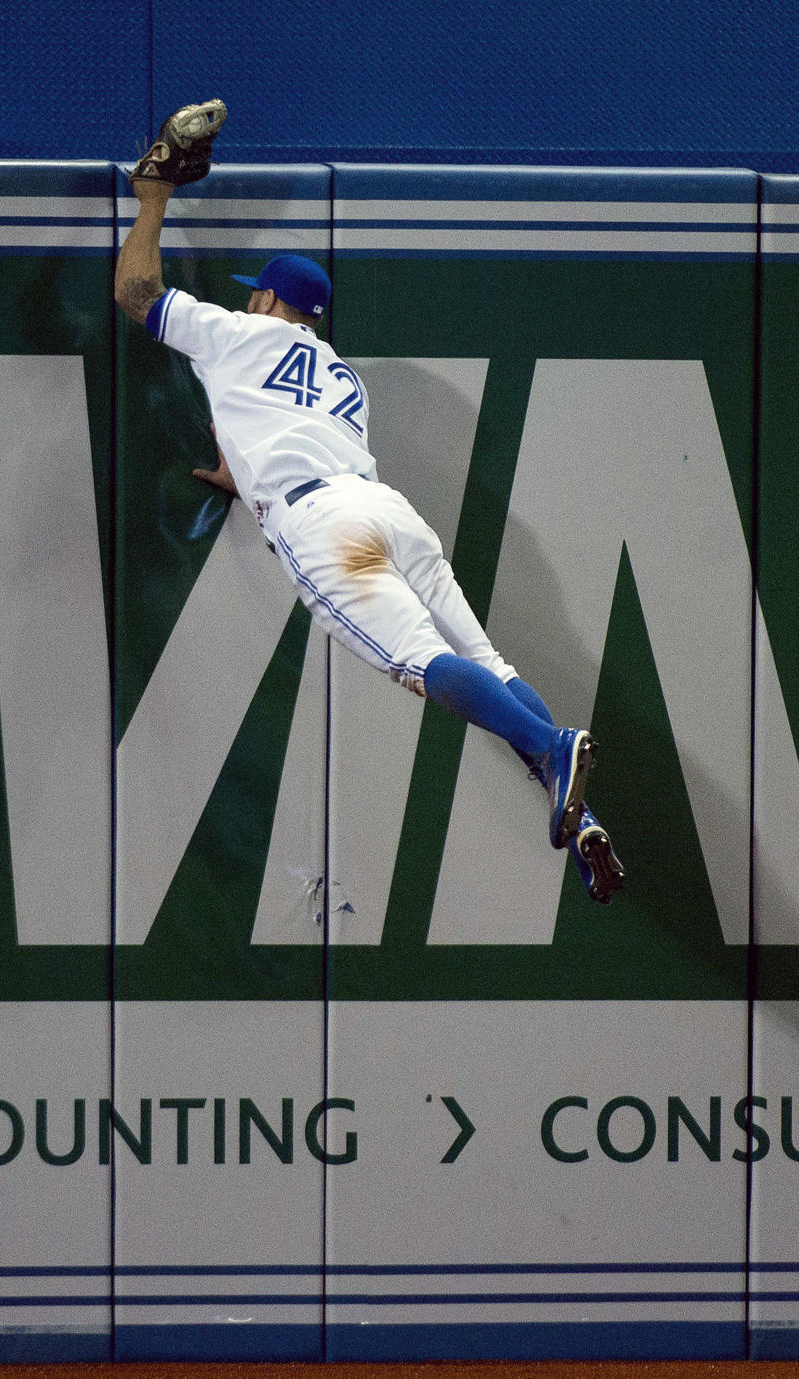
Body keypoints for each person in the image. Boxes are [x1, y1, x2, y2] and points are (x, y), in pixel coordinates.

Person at [115, 101, 624, 904]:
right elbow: (266, 432)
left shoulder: (242, 337)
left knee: (426, 668)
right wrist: (237, 474)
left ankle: (555, 745)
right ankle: (583, 818)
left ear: (274, 303)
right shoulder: (341, 380)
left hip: (328, 526)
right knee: (490, 667)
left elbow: (139, 294)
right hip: (387, 511)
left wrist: (153, 200)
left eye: (258, 296)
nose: (250, 303)